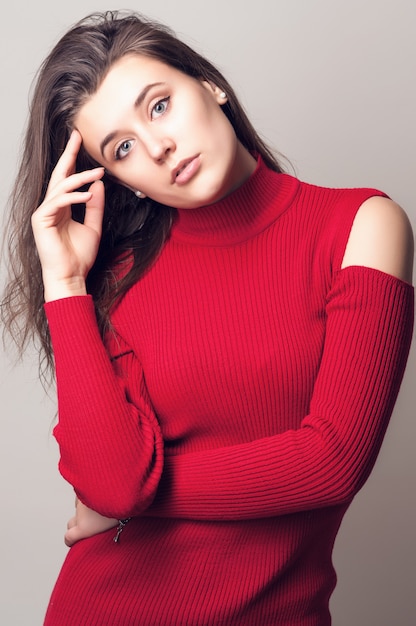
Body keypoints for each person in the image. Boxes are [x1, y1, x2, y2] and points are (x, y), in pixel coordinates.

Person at [1, 9, 414, 626]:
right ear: (121, 182)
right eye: (122, 148)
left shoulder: (360, 227)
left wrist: (141, 499)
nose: (158, 147)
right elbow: (113, 485)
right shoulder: (114, 277)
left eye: (158, 106)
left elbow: (332, 464)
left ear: (209, 84)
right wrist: (64, 285)